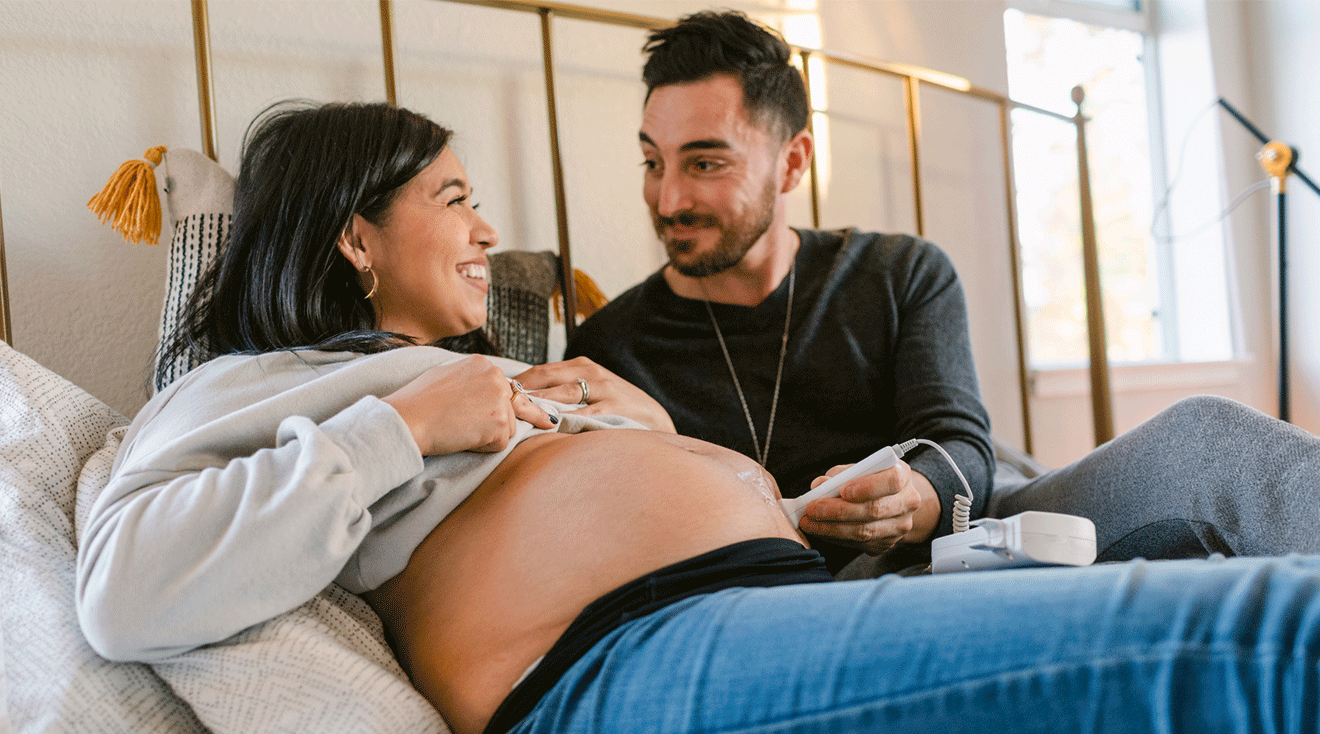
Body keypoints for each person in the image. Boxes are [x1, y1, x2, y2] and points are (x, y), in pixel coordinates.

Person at [76, 100, 1320, 734]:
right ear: (354, 233)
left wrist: (764, 496)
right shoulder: (252, 384)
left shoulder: (874, 274)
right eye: (453, 197)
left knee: (1207, 517)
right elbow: (125, 586)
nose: (487, 232)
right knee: (1273, 638)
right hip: (625, 659)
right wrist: (407, 423)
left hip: (791, 591)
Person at [562, 9, 1320, 576]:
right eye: (651, 162)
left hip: (975, 534)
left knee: (1208, 437)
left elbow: (960, 440)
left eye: (704, 164)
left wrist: (917, 494)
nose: (665, 200)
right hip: (807, 594)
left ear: (792, 165)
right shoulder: (612, 350)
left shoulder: (898, 271)